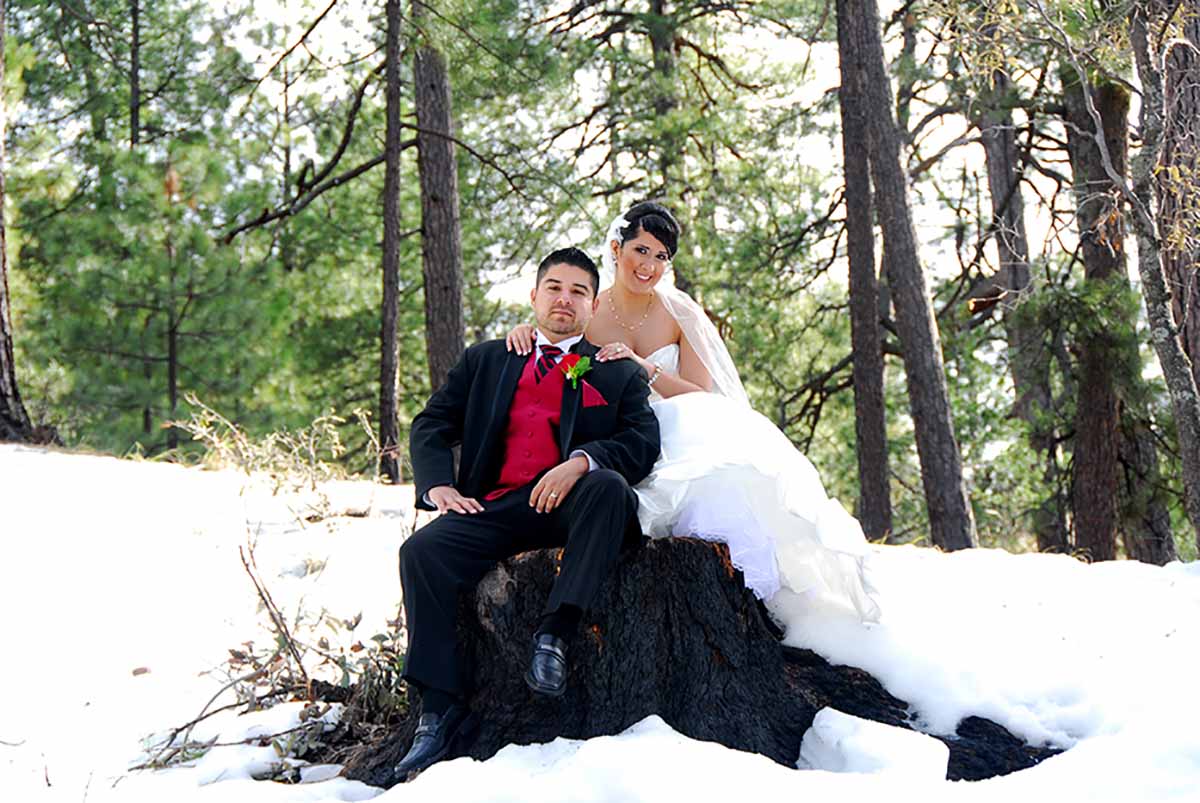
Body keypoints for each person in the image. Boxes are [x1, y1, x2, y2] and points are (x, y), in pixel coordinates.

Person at [507, 202, 881, 627]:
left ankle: (742, 599)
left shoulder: (679, 313)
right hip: (618, 430)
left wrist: (647, 369)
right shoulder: (591, 306)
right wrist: (523, 332)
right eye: (641, 251)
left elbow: (702, 393)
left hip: (678, 416)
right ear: (616, 248)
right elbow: (556, 343)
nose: (649, 266)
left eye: (661, 257)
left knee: (716, 481)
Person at [393, 247, 661, 780]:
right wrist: (439, 487)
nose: (565, 299)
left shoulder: (611, 370)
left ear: (593, 305)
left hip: (570, 507)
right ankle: (436, 710)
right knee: (421, 552)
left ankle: (555, 635)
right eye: (555, 288)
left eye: (579, 291)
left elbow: (642, 442)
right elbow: (431, 424)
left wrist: (581, 462)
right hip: (494, 505)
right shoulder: (488, 358)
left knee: (608, 487)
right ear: (534, 296)